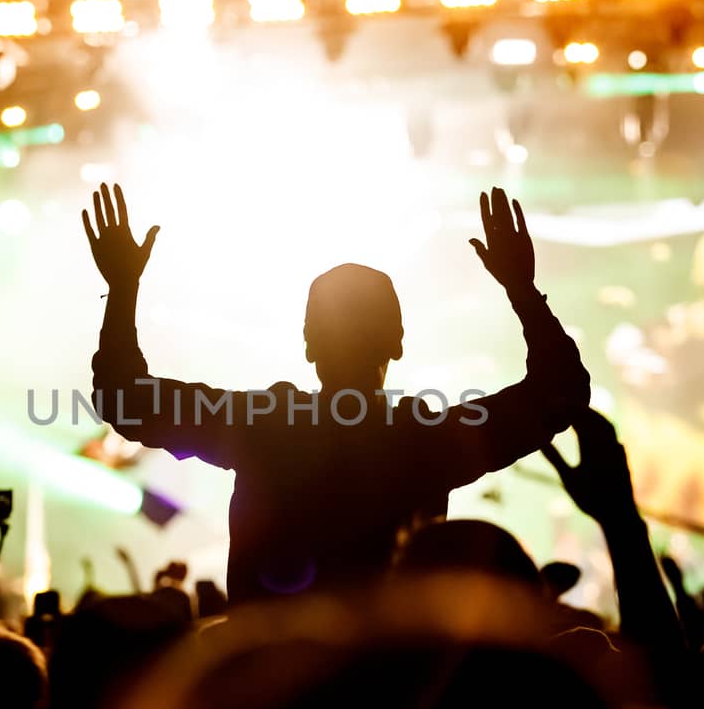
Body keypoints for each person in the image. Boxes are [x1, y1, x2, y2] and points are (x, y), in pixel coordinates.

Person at [83, 183, 589, 604]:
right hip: (391, 682)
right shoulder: (427, 438)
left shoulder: (262, 425)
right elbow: (560, 391)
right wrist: (522, 289)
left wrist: (123, 288)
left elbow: (125, 399)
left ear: (308, 344)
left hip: (273, 694)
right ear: (397, 341)